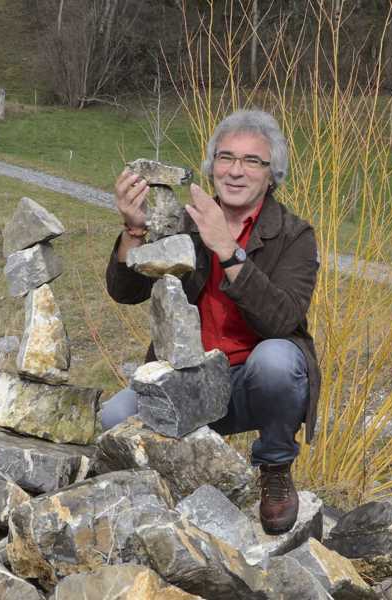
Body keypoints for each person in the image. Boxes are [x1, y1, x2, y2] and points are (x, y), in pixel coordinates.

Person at [100, 109, 320, 535]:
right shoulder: (182, 220)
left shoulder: (293, 235)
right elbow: (125, 291)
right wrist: (133, 231)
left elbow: (282, 318)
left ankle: (274, 469)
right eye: (225, 158)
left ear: (271, 175)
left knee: (278, 360)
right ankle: (178, 491)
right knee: (114, 418)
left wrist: (227, 249)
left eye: (252, 161)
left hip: (250, 385)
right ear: (211, 166)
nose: (236, 172)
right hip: (185, 382)